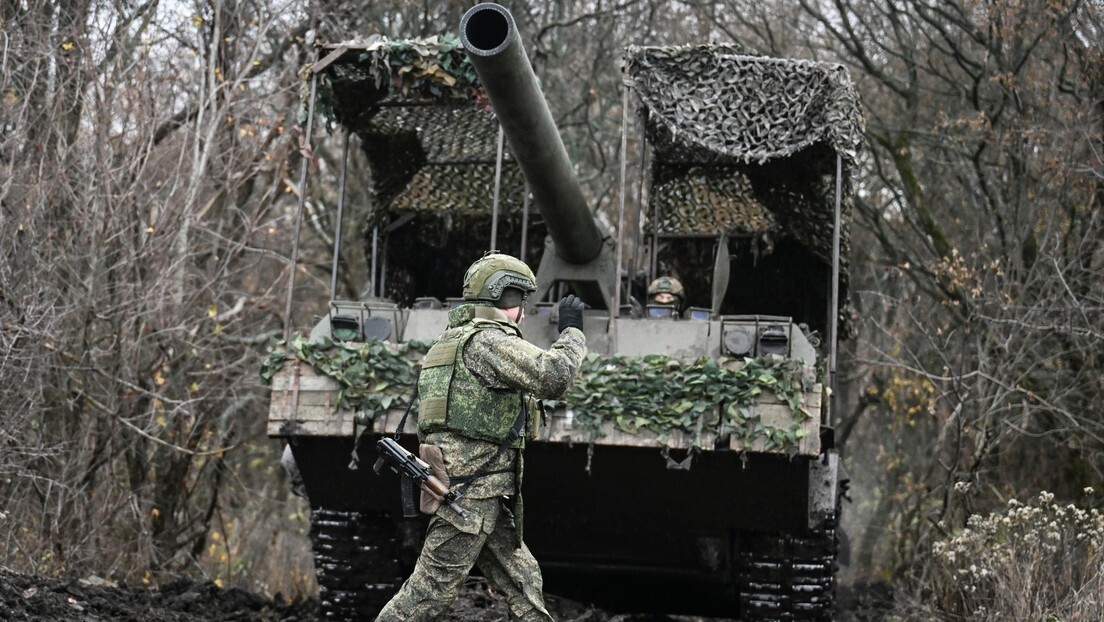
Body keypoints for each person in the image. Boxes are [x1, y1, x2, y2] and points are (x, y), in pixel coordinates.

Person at [375, 251, 587, 622]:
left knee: (524, 580)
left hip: (476, 491)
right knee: (428, 594)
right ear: (508, 298)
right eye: (522, 300)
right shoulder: (489, 341)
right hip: (470, 498)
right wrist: (572, 332)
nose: (523, 310)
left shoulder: (450, 341)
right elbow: (554, 376)